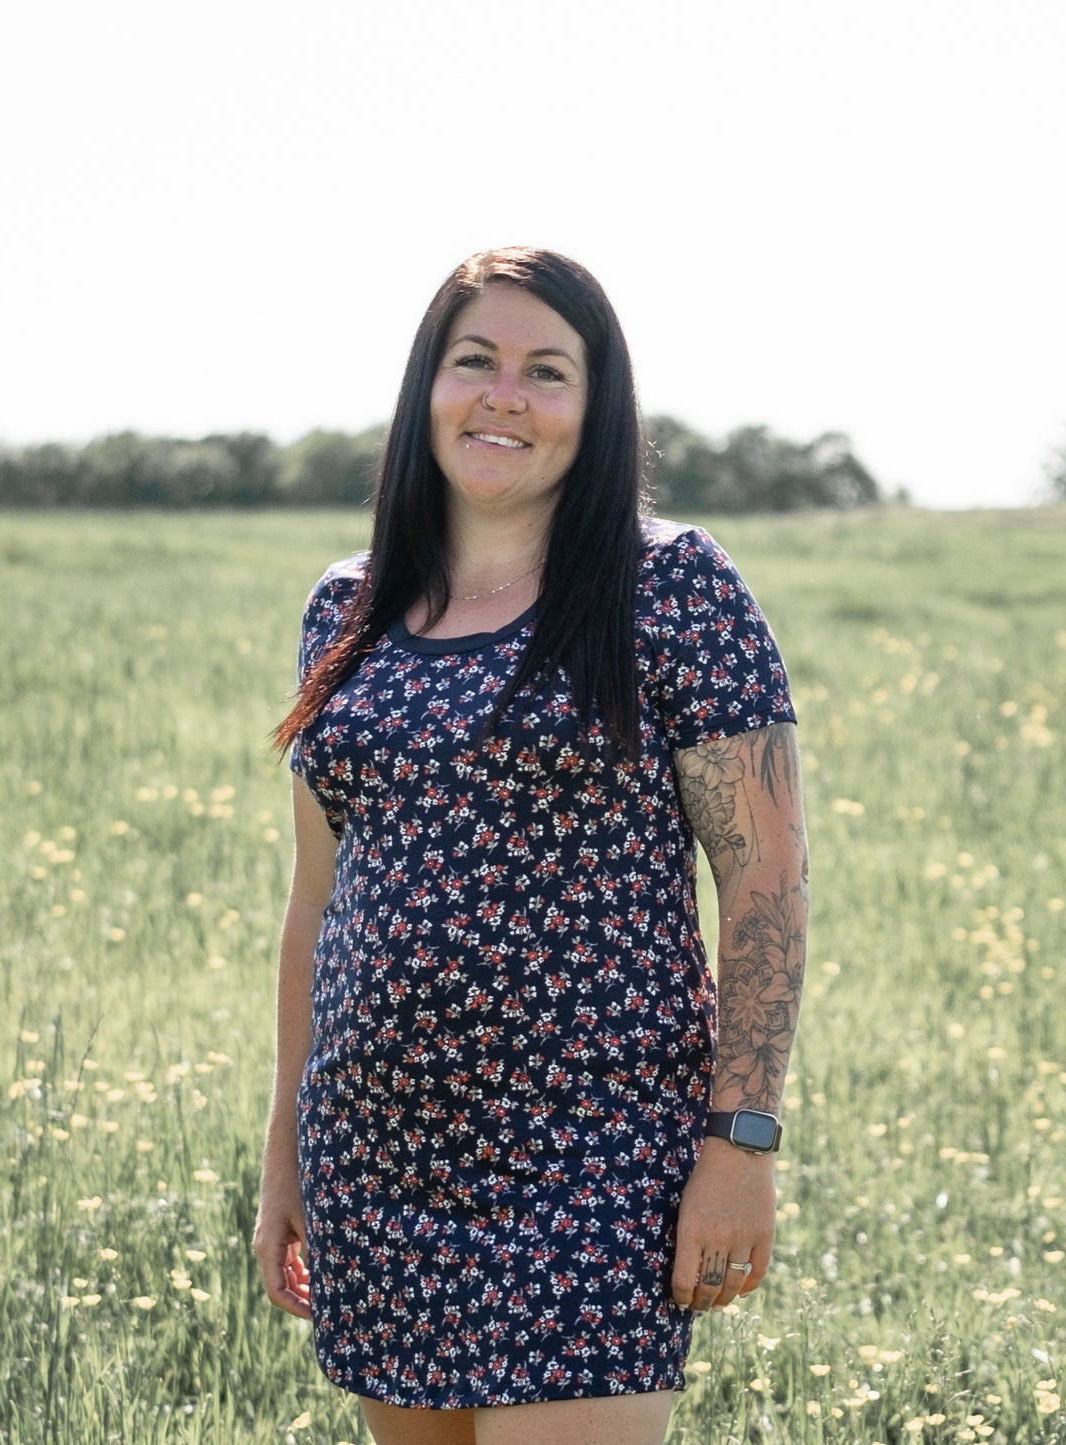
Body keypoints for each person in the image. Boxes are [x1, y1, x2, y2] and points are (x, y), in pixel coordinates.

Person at [253, 247, 808, 1445]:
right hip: (377, 1156)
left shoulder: (671, 588)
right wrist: (283, 1156)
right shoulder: (342, 610)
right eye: (476, 361)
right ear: (427, 389)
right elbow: (315, 906)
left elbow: (762, 880)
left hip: (594, 1157)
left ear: (594, 410)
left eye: (546, 371)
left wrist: (741, 1140)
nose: (504, 394)